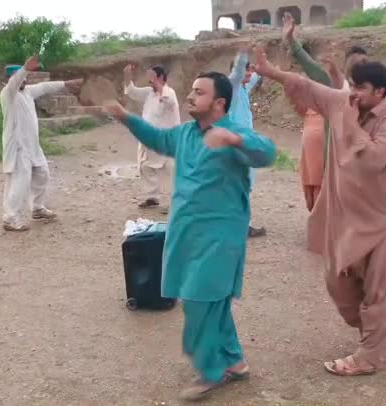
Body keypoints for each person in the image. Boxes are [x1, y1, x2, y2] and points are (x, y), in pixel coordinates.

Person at [91, 71, 276, 400]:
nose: (190, 96)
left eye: (198, 92)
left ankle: (211, 370)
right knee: (213, 301)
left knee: (198, 300)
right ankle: (234, 361)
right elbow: (157, 139)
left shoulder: (232, 132)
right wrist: (126, 117)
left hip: (219, 237)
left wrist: (236, 140)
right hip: (188, 234)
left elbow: (267, 152)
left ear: (219, 102)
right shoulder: (187, 135)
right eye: (191, 90)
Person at [254, 48, 386, 376]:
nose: (352, 94)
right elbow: (307, 86)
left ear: (379, 93)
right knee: (337, 283)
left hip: (381, 220)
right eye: (351, 86)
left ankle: (370, 356)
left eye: (360, 89)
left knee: (380, 291)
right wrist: (272, 72)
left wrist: (351, 126)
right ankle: (374, 336)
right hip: (345, 220)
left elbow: (373, 161)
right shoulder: (343, 102)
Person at [281, 12, 386, 211]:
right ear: (345, 64)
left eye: (363, 61)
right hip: (334, 157)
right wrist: (291, 38)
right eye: (354, 61)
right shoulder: (329, 83)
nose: (359, 64)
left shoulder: (375, 84)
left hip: (363, 155)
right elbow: (306, 62)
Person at [0, 54, 85, 231]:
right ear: (10, 79)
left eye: (26, 77)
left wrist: (65, 84)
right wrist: (24, 68)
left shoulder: (28, 92)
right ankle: (10, 218)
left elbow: (44, 86)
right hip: (17, 147)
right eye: (21, 77)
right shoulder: (8, 93)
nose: (24, 80)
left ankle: (37, 208)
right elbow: (15, 83)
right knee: (19, 182)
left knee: (42, 173)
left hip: (32, 145)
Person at [123, 63, 181, 210]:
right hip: (149, 138)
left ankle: (179, 201)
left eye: (152, 76)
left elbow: (169, 102)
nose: (149, 79)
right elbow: (132, 91)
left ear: (160, 77)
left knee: (173, 169)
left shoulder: (169, 91)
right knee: (144, 166)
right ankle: (152, 198)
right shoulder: (149, 93)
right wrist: (127, 75)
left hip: (168, 139)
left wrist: (160, 86)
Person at [228, 49, 267, 238]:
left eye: (250, 71)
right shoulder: (231, 89)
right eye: (246, 70)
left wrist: (260, 66)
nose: (250, 74)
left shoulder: (242, 87)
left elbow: (254, 78)